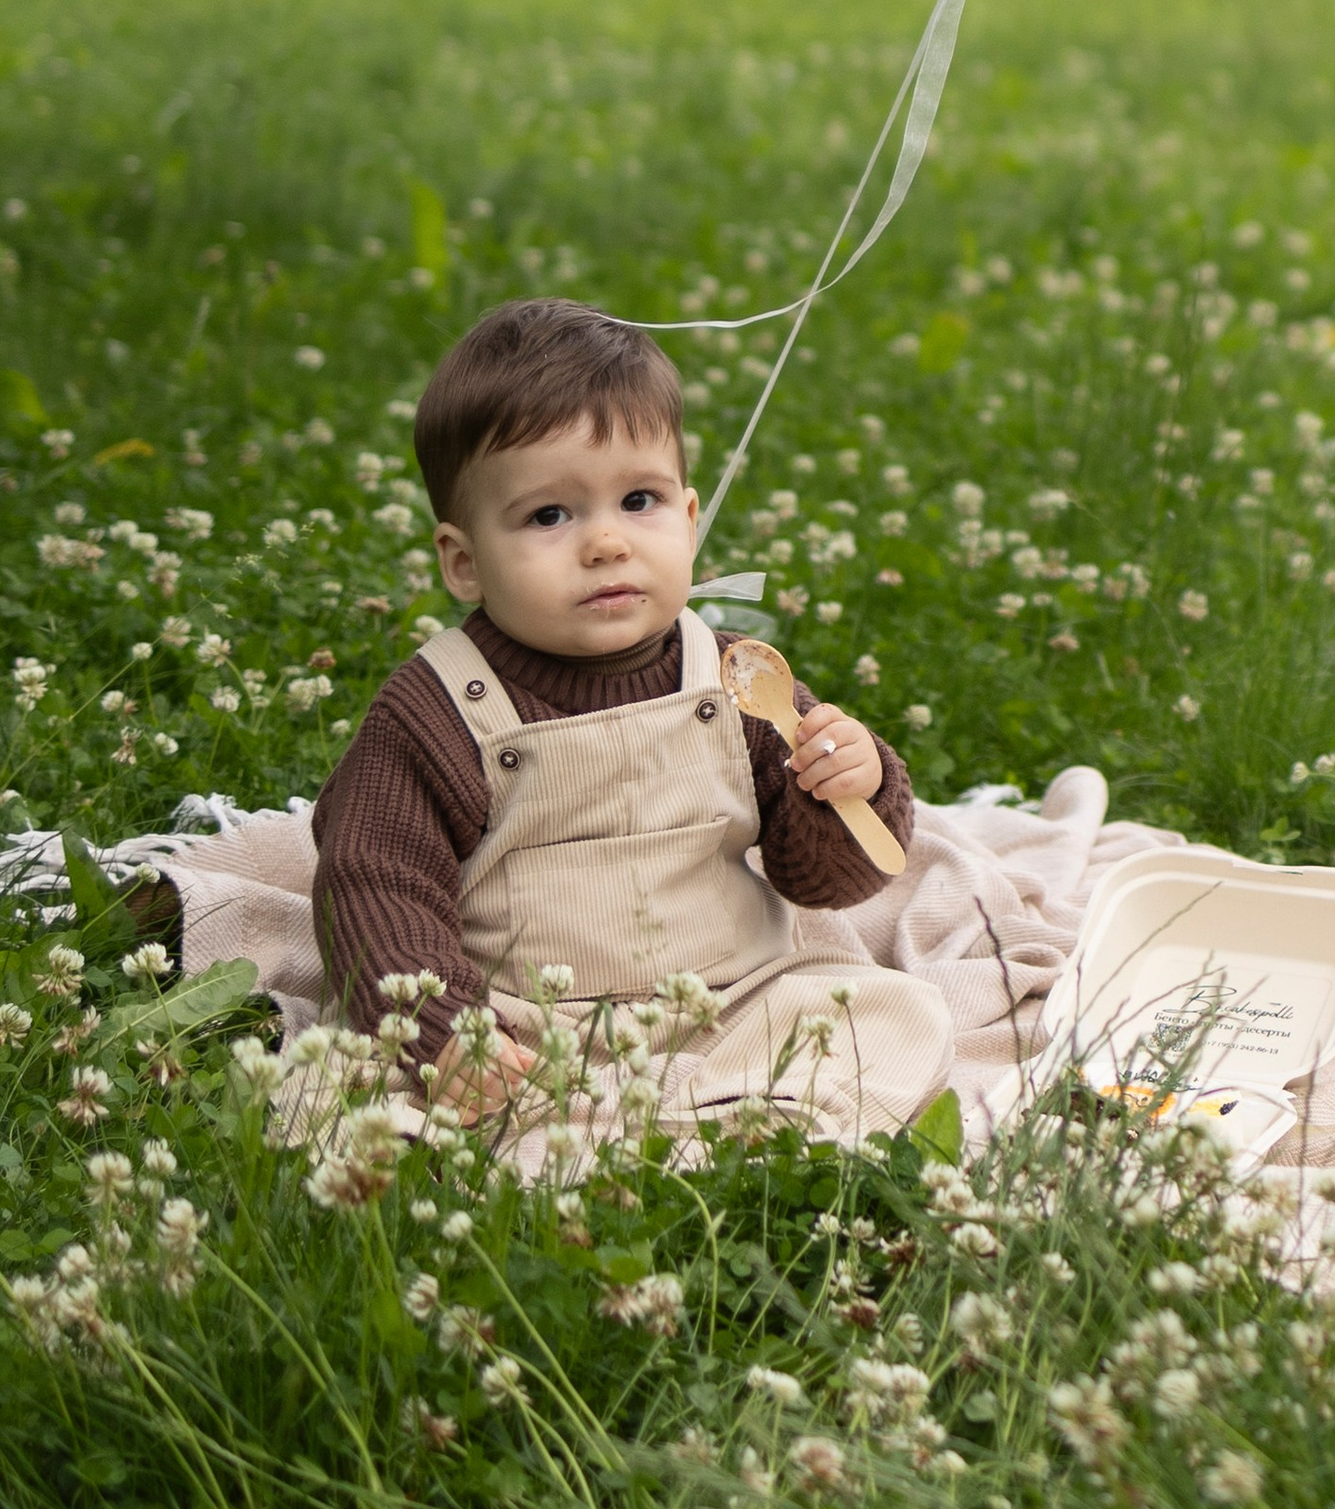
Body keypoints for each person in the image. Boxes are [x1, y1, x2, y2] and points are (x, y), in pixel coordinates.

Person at [309, 297, 953, 1145]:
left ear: (690, 519)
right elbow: (374, 883)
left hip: (738, 995)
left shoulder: (735, 677)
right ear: (465, 562)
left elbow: (823, 882)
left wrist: (848, 784)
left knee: (897, 1015)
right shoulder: (437, 710)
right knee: (400, 1102)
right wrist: (447, 1033)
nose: (606, 542)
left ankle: (753, 1122)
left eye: (639, 500)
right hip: (533, 1021)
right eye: (549, 516)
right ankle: (658, 1138)